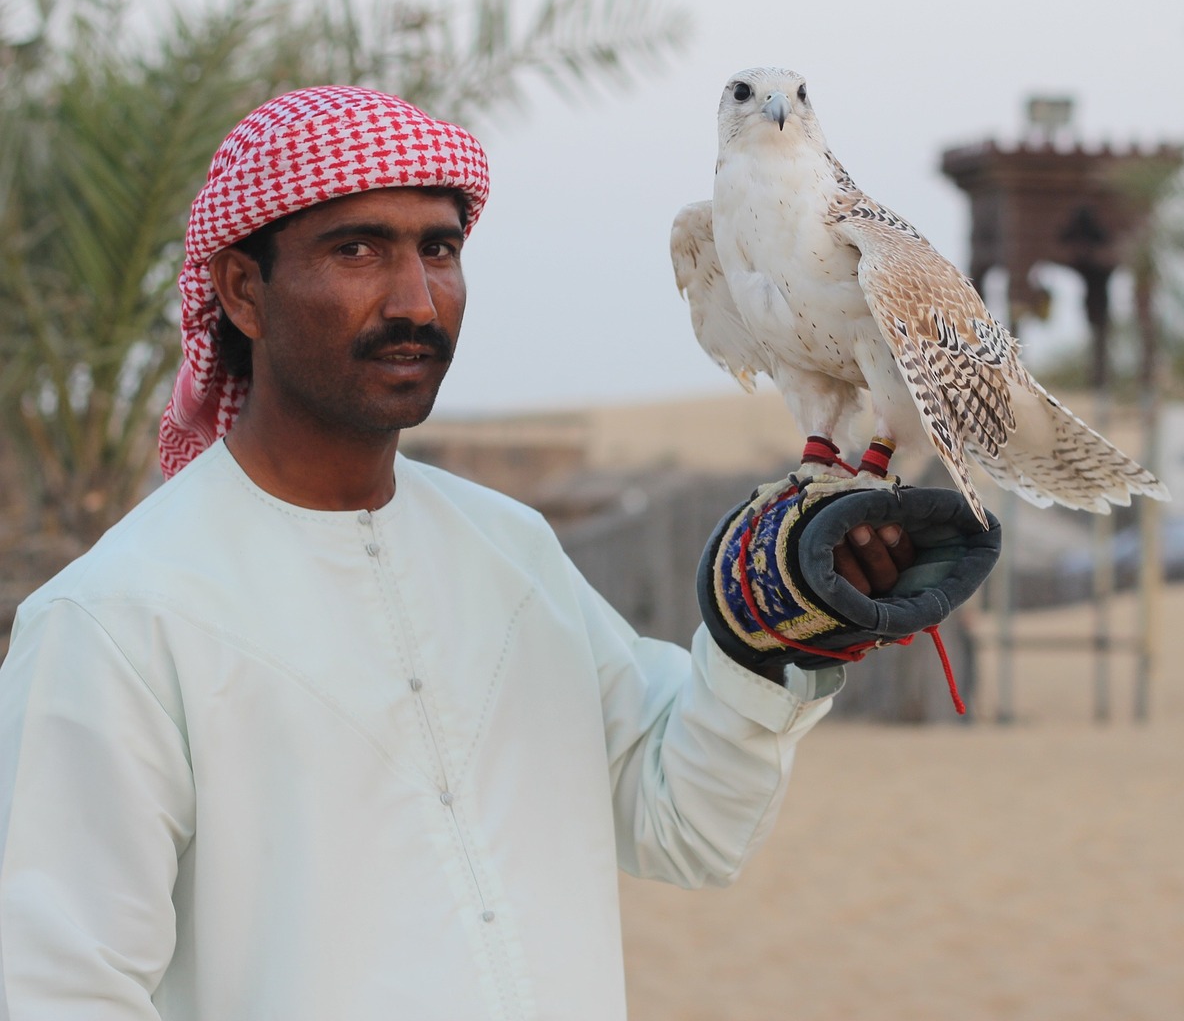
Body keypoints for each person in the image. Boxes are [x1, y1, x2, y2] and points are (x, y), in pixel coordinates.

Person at [0, 86, 948, 1019]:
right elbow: (58, 988)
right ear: (244, 290)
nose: (415, 300)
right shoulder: (116, 621)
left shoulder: (509, 549)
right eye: (357, 248)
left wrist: (770, 637)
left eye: (439, 250)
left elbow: (685, 828)